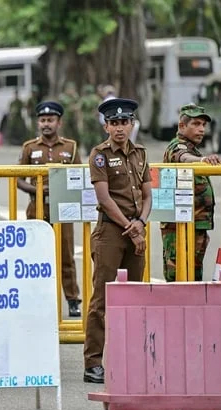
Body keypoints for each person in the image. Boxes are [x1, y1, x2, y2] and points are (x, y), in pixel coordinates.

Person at [84, 98, 151, 384]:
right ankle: (93, 362)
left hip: (136, 228)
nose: (119, 128)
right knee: (102, 298)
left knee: (136, 297)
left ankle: (133, 356)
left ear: (132, 124)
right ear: (106, 125)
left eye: (124, 122)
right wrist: (130, 227)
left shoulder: (141, 153)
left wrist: (141, 223)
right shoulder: (99, 154)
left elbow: (148, 195)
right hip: (111, 231)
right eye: (114, 123)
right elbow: (104, 198)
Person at [17, 101, 82, 317]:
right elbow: (18, 179)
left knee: (66, 256)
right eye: (43, 120)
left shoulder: (70, 147)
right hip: (36, 209)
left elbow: (79, 177)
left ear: (59, 122)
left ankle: (73, 300)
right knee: (35, 256)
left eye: (50, 120)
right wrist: (40, 190)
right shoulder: (30, 148)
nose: (46, 124)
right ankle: (35, 298)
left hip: (63, 210)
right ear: (38, 123)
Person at [161, 104, 219, 282]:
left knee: (193, 276)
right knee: (178, 276)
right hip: (179, 226)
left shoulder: (192, 147)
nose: (201, 129)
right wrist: (201, 160)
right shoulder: (177, 146)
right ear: (181, 126)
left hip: (195, 225)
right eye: (195, 124)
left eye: (203, 125)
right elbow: (182, 157)